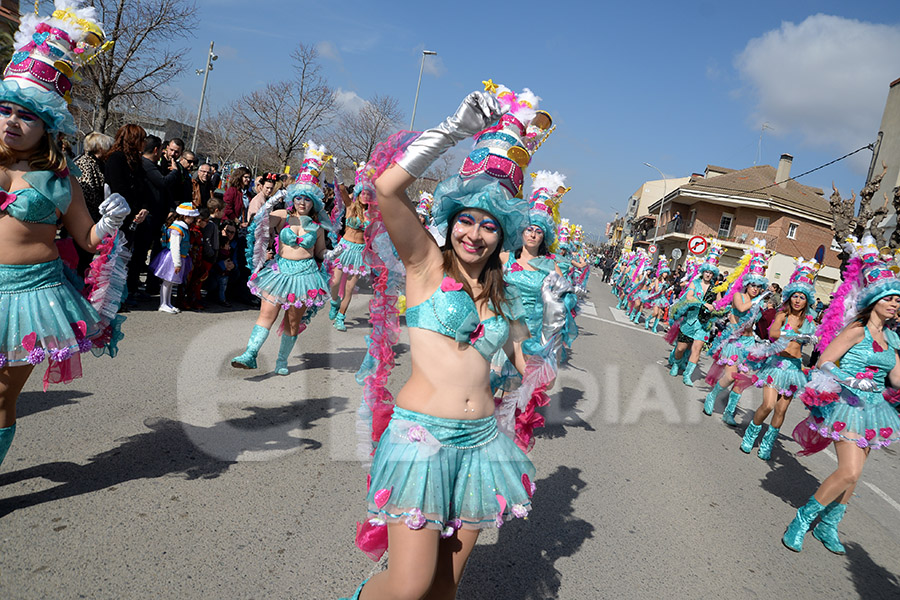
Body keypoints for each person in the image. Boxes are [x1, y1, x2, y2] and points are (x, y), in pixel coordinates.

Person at [342, 85, 546, 600]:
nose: (475, 234)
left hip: (482, 444)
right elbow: (387, 190)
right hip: (421, 440)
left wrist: (545, 341)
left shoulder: (508, 295)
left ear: (504, 236)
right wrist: (452, 132)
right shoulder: (425, 265)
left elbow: (528, 363)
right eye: (466, 220)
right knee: (408, 587)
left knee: (442, 590)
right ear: (451, 221)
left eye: (489, 226)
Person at [0, 1, 128, 468]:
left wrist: (109, 222)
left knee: (0, 393)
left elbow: (88, 240)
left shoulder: (61, 178)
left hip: (30, 295)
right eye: (5, 109)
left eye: (26, 115)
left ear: (48, 124)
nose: (12, 121)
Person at [784, 236, 900, 553]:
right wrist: (851, 380)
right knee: (848, 470)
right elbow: (824, 362)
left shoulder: (892, 338)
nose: (895, 304)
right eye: (889, 298)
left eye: (898, 300)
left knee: (855, 475)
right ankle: (802, 520)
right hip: (847, 404)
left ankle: (829, 525)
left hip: (874, 410)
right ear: (874, 300)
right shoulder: (856, 330)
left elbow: (897, 379)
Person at [231, 143, 329, 375]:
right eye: (298, 198)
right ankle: (250, 353)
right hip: (278, 273)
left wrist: (331, 254)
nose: (301, 203)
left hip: (305, 276)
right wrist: (275, 198)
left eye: (306, 199)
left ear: (313, 202)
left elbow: (320, 253)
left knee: (292, 322)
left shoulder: (317, 227)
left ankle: (282, 361)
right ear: (293, 198)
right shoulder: (283, 216)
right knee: (267, 314)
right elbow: (260, 221)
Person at [740, 258, 818, 459]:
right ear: (790, 297)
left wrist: (811, 337)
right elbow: (773, 333)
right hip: (776, 365)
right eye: (795, 296)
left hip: (794, 369)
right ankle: (751, 435)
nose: (798, 300)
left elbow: (820, 339)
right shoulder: (782, 314)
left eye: (802, 297)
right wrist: (790, 335)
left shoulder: (809, 320)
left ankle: (768, 443)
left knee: (781, 410)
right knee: (768, 405)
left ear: (806, 300)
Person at [704, 240, 770, 425]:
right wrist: (759, 301)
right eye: (752, 285)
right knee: (730, 376)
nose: (755, 289)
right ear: (746, 285)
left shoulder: (759, 303)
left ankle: (729, 412)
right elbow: (741, 309)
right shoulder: (738, 296)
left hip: (749, 344)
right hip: (734, 341)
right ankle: (712, 397)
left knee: (742, 380)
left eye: (758, 286)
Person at [104, 124, 151, 305]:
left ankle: (119, 296)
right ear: (133, 140)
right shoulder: (115, 159)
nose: (144, 142)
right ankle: (108, 299)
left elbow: (143, 189)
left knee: (124, 260)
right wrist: (132, 212)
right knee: (113, 259)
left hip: (134, 217)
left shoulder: (136, 161)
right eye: (142, 138)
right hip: (118, 217)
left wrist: (144, 208)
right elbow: (118, 189)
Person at [669, 243, 724, 386]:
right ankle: (676, 363)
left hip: (704, 323)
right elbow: (689, 297)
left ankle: (687, 375)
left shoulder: (715, 288)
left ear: (713, 275)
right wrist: (703, 304)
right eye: (707, 272)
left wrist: (719, 308)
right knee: (681, 348)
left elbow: (719, 303)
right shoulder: (695, 282)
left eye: (711, 273)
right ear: (703, 271)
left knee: (697, 348)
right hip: (690, 320)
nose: (708, 274)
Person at [328, 162, 372, 331]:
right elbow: (342, 190)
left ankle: (341, 317)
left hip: (360, 252)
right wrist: (338, 172)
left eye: (369, 194)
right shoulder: (350, 206)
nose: (366, 196)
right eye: (364, 193)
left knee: (350, 287)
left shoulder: (372, 214)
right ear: (359, 193)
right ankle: (334, 302)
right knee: (335, 282)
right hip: (344, 248)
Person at [72, 131, 113, 273]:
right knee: (79, 259)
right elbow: (85, 191)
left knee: (85, 259)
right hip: (84, 218)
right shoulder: (84, 163)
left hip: (93, 216)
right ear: (100, 148)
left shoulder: (97, 164)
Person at [149, 202, 197, 314]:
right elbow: (175, 247)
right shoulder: (177, 229)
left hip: (178, 257)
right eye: (192, 218)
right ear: (185, 216)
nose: (193, 220)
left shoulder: (182, 227)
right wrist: (177, 263)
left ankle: (168, 302)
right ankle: (163, 303)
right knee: (167, 281)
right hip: (173, 258)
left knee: (170, 282)